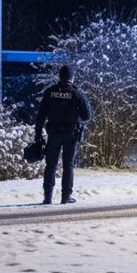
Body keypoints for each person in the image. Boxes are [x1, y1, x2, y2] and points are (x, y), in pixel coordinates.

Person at [35, 64, 92, 204]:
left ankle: (47, 197)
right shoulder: (77, 93)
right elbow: (87, 116)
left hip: (53, 133)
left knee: (51, 164)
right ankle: (65, 197)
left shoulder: (50, 92)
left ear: (59, 76)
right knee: (68, 165)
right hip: (70, 135)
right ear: (72, 77)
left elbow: (40, 115)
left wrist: (38, 135)